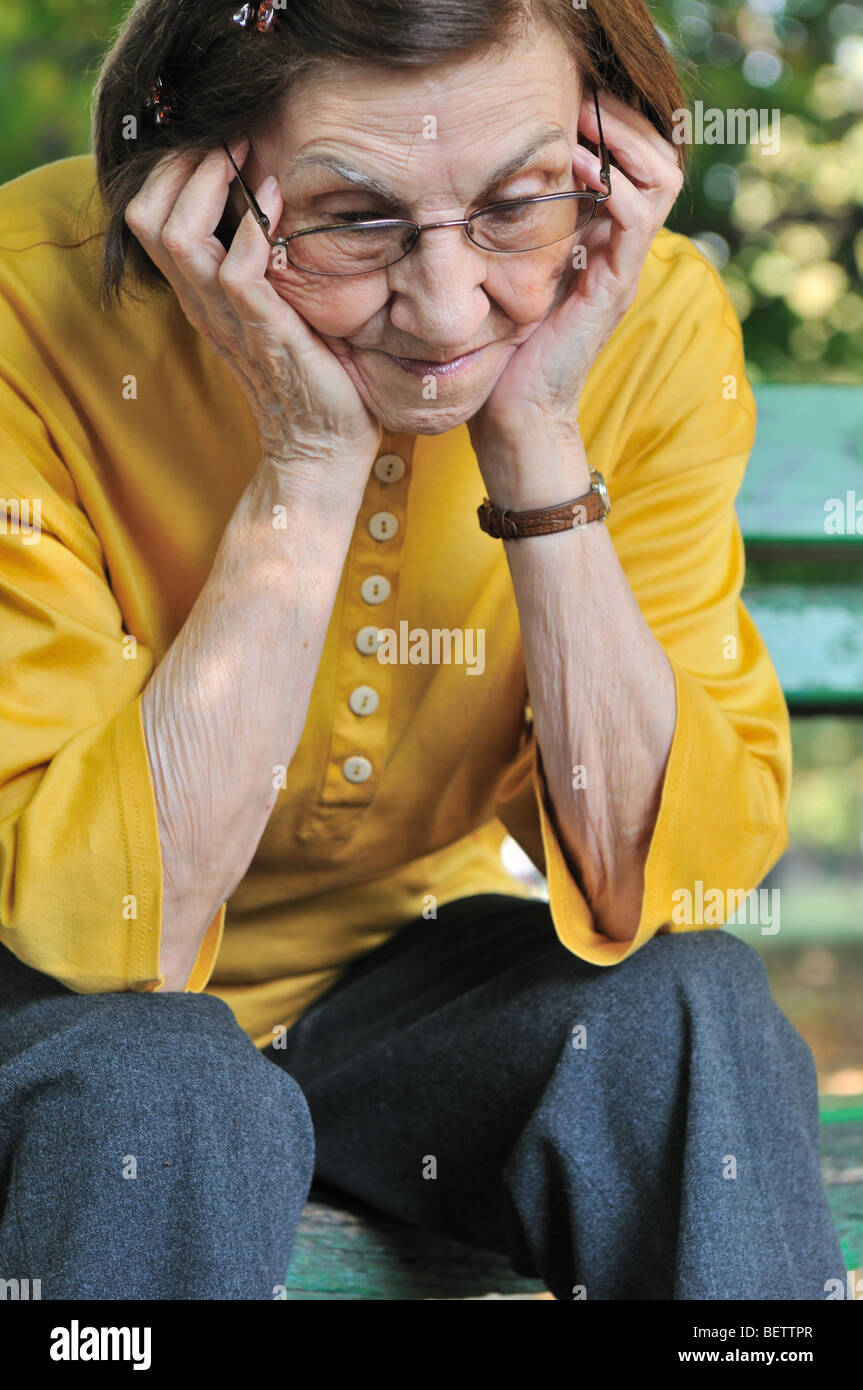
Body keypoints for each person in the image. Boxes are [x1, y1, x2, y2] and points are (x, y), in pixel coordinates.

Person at [0, 0, 846, 1300]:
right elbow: (119, 936)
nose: (450, 308)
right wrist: (308, 457)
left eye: (519, 202)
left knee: (692, 1016)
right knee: (152, 1085)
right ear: (198, 175)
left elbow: (652, 888)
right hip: (50, 1012)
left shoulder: (648, 321)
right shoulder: (25, 309)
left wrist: (541, 435)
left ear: (605, 158)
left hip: (389, 1007)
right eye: (351, 218)